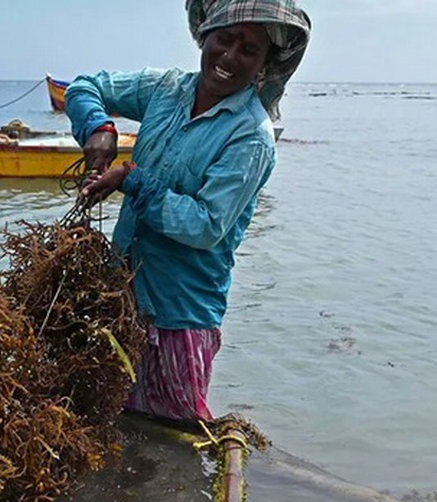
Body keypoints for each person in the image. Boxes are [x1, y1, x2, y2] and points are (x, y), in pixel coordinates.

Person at [64, 0, 311, 423]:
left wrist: (130, 178)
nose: (231, 57)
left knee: (175, 445)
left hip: (180, 316)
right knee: (107, 422)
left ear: (266, 63)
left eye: (249, 50)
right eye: (225, 40)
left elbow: (204, 225)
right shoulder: (165, 89)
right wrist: (99, 129)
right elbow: (85, 87)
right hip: (119, 295)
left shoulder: (251, 137)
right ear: (206, 36)